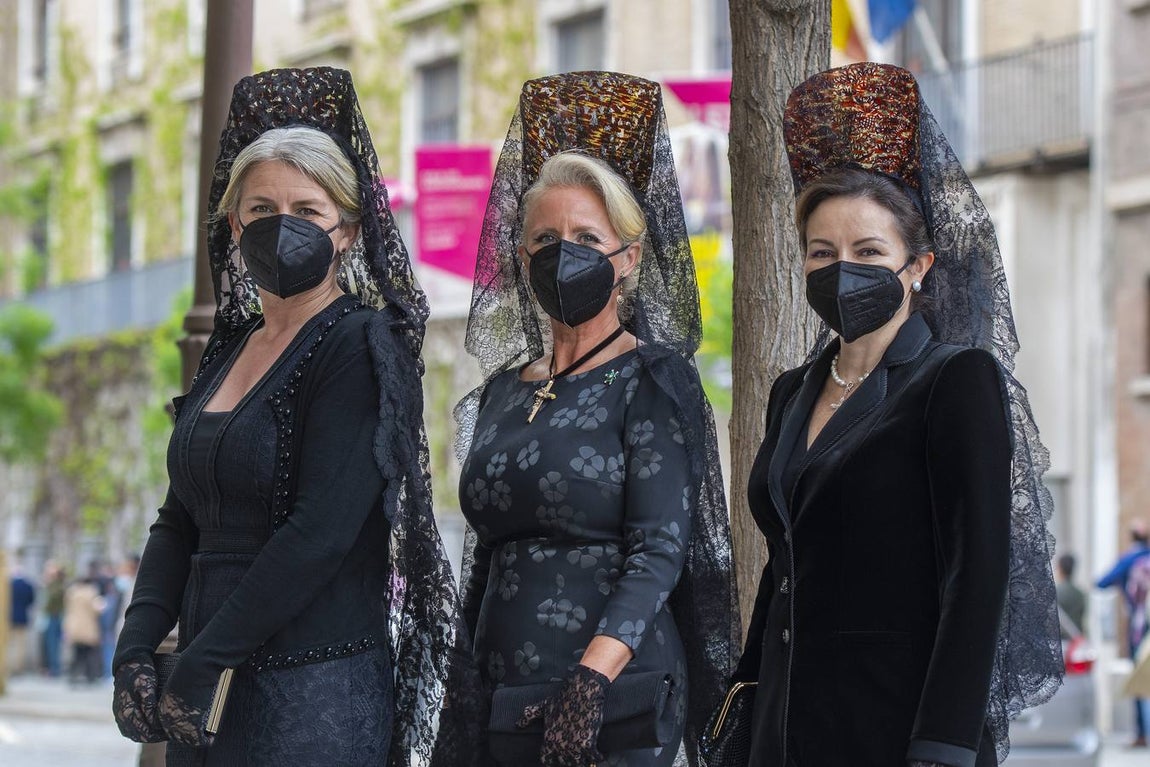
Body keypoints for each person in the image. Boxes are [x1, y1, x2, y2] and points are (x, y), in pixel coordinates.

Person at [111, 67, 478, 766]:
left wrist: (205, 652)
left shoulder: (361, 343)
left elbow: (320, 531)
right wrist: (136, 642)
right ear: (232, 223)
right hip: (207, 691)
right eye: (262, 210)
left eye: (308, 211)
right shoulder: (231, 346)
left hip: (310, 700)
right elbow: (178, 515)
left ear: (347, 230)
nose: (283, 228)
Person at [731, 63, 1063, 767]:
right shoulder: (792, 390)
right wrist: (743, 701)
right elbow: (784, 566)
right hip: (782, 737)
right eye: (823, 253)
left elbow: (977, 580)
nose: (842, 269)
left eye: (868, 252)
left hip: (897, 735)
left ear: (918, 265)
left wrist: (939, 748)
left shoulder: (956, 381)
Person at [456, 72, 738, 766]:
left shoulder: (653, 379)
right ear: (523, 260)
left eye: (587, 235)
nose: (565, 252)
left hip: (612, 702)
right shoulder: (500, 391)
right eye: (546, 237)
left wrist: (588, 681)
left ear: (630, 257)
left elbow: (659, 550)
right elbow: (486, 553)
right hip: (500, 701)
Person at [1097, 520, 1150, 746]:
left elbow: (1102, 582)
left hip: (1140, 629)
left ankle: (1140, 734)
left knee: (1138, 679)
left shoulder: (1130, 560)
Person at [64, 568, 105, 684]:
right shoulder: (92, 593)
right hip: (88, 627)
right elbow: (97, 609)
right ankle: (90, 676)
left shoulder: (71, 593)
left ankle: (73, 675)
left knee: (77, 653)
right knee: (89, 653)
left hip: (74, 625)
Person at [8, 562, 36, 676]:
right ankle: (18, 667)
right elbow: (31, 600)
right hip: (22, 617)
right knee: (21, 644)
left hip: (9, 617)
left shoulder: (9, 584)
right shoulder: (28, 585)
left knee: (10, 643)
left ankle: (9, 665)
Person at [41, 561, 66, 677]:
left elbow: (50, 601)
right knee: (51, 644)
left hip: (54, 616)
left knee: (53, 644)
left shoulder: (56, 586)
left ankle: (54, 668)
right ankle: (52, 667)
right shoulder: (56, 585)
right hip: (53, 616)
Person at [1056, 553, 1087, 637]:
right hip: (1076, 641)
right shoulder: (1080, 594)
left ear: (1060, 568)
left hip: (1061, 640)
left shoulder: (1056, 593)